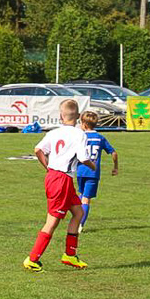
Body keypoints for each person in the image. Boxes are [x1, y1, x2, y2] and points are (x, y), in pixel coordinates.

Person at [23, 99, 97, 272]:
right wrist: (93, 166)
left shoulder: (54, 132)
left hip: (57, 178)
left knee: (78, 213)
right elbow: (83, 158)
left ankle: (70, 255)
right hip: (61, 180)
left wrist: (48, 167)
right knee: (52, 221)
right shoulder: (79, 134)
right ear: (78, 117)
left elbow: (37, 149)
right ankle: (32, 259)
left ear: (60, 116)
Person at [76, 110, 119, 233]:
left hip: (80, 171)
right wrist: (115, 167)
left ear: (83, 124)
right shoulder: (100, 138)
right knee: (86, 199)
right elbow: (114, 153)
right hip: (92, 173)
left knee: (82, 194)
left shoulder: (80, 137)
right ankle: (79, 224)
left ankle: (76, 218)